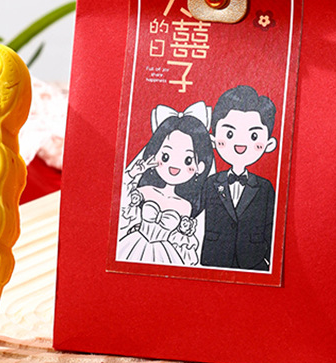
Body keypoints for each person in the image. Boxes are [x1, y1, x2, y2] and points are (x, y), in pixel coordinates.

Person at [118, 104, 214, 266]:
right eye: (166, 156)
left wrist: (184, 232)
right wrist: (133, 173)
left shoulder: (186, 206)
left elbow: (185, 247)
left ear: (200, 167)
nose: (174, 166)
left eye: (188, 160)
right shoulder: (144, 191)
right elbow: (120, 208)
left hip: (164, 254)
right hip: (133, 245)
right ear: (154, 154)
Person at [200, 85, 278, 271]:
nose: (240, 143)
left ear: (269, 144)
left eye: (253, 135)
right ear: (213, 139)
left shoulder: (265, 187)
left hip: (253, 261)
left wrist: (270, 261)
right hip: (214, 258)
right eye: (229, 134)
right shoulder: (210, 182)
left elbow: (271, 225)